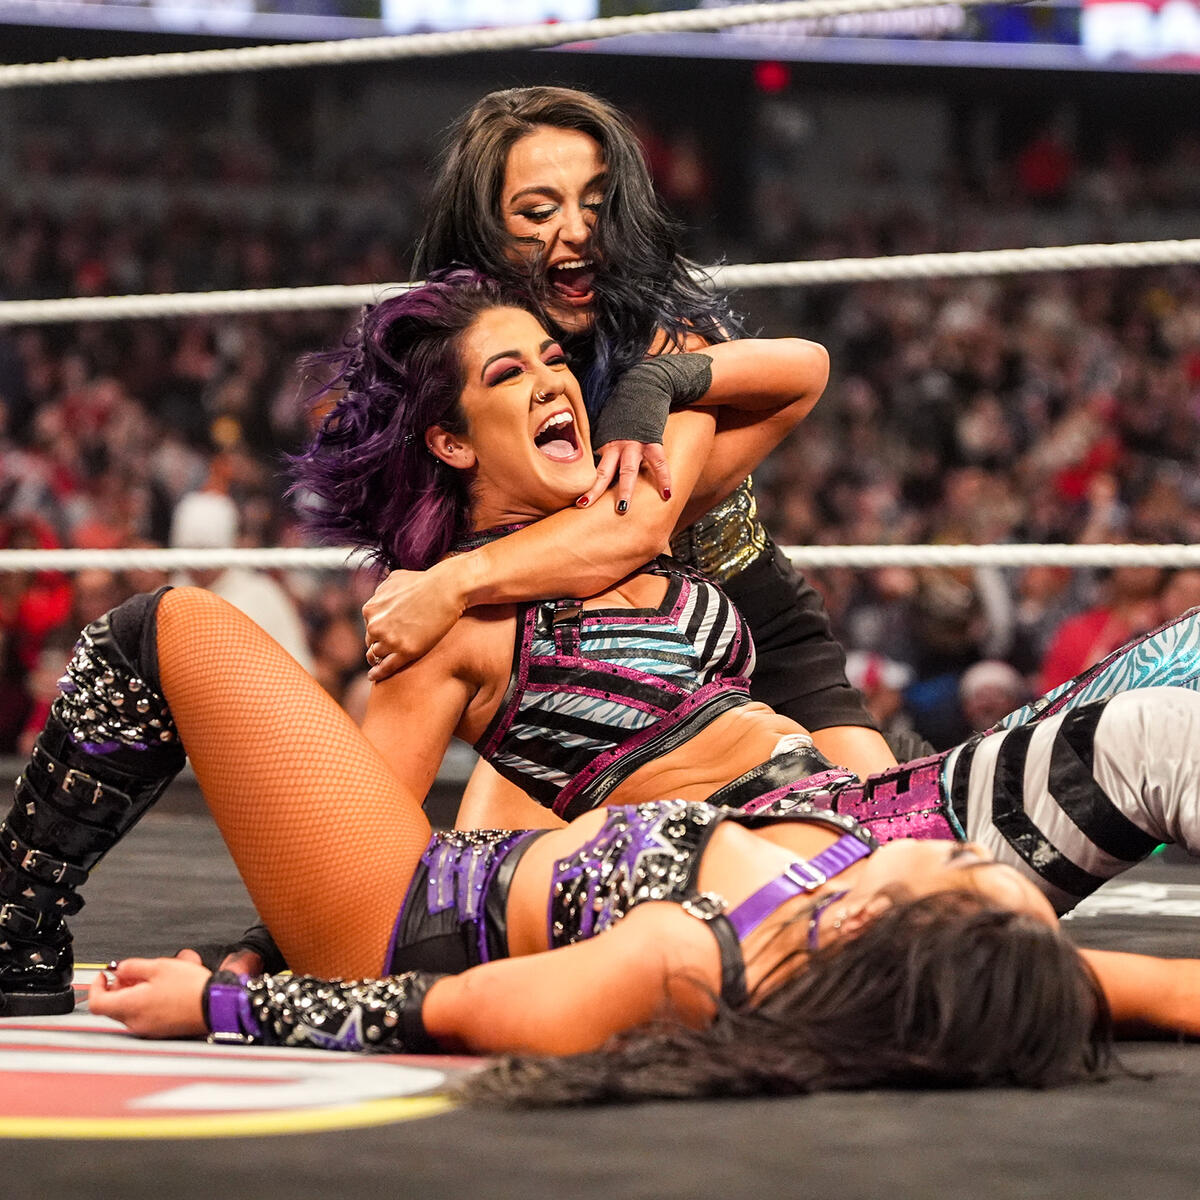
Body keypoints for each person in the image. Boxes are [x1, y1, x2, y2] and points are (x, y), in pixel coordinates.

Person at [5, 274, 1200, 1101]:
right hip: (717, 852)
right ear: (453, 441)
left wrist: (646, 396)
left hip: (766, 840)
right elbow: (356, 840)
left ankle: (17, 932)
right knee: (1158, 710)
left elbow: (799, 372)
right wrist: (250, 968)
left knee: (167, 625)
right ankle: (21, 928)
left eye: (553, 361)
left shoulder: (619, 530)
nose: (553, 381)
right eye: (511, 371)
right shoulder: (470, 621)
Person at [361, 86, 902, 794]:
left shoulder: (661, 334)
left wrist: (656, 381)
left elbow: (632, 524)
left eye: (597, 203)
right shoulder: (457, 364)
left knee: (884, 818)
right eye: (538, 211)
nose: (578, 231)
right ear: (485, 231)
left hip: (746, 630)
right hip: (578, 660)